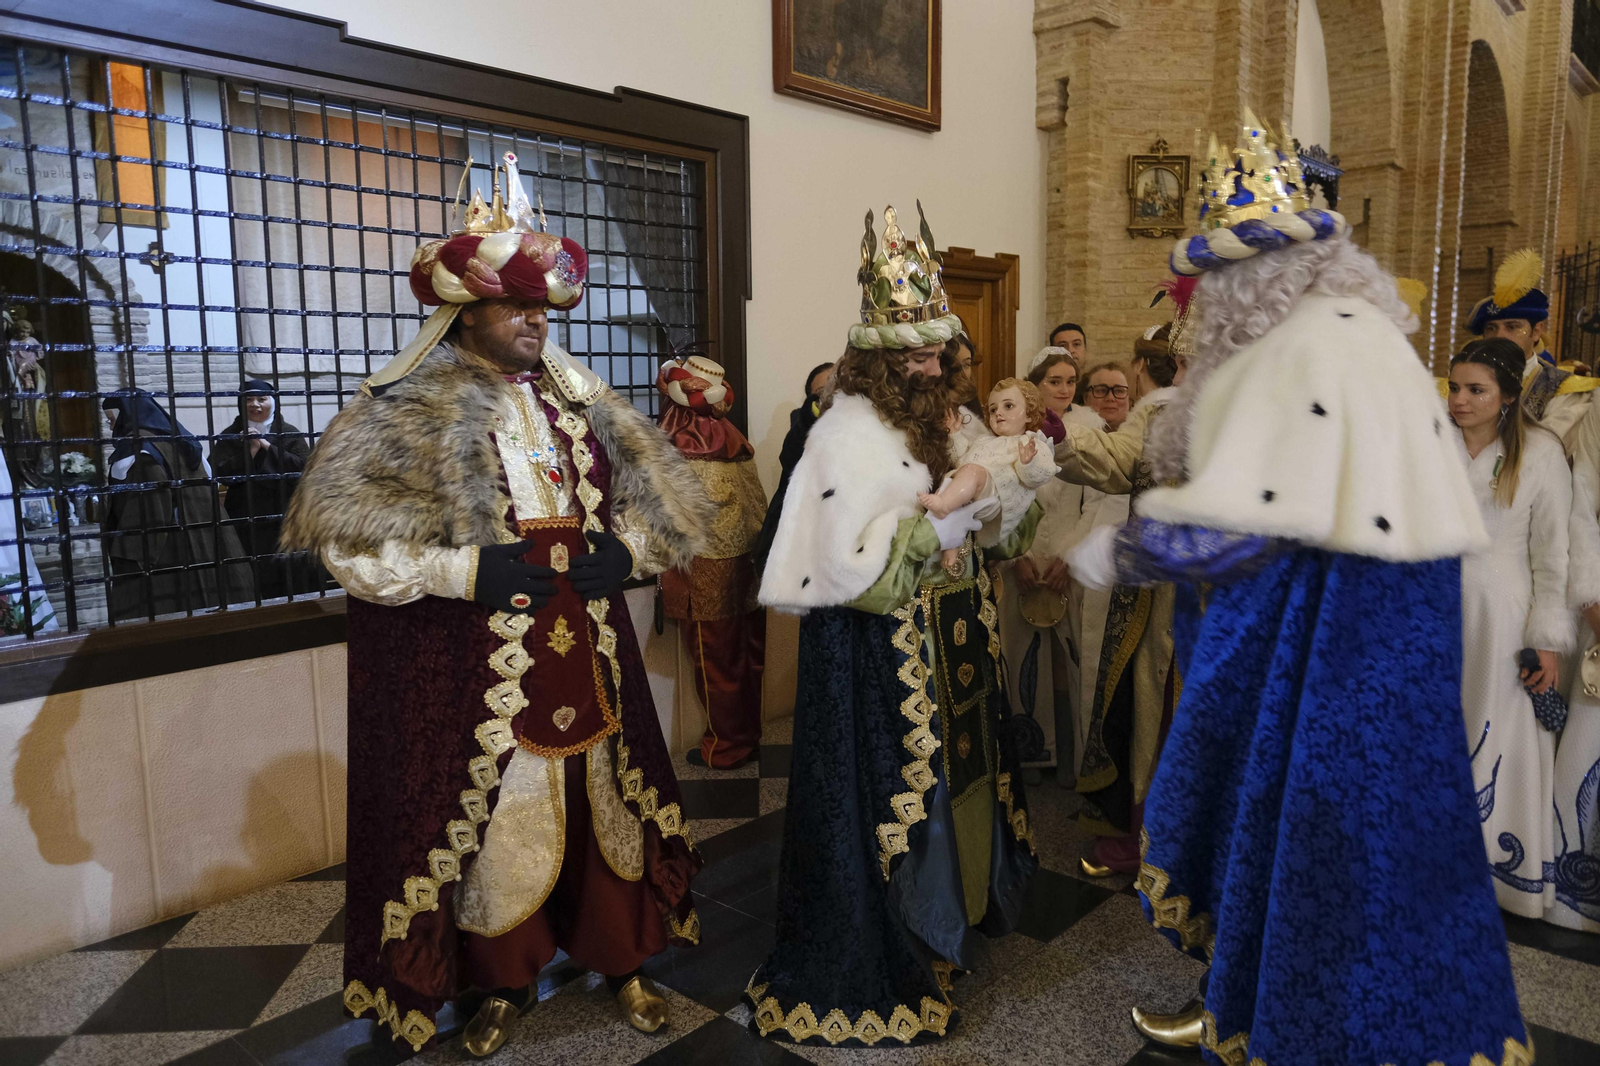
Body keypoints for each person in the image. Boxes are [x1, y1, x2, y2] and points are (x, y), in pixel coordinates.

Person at [1098, 119, 1526, 1064]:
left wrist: (1128, 553)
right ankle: (1237, 1003)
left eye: (1212, 286)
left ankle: (1281, 1028)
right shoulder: (1354, 334)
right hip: (1365, 653)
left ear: (1256, 281)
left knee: (1313, 849)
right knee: (1333, 849)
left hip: (1331, 661)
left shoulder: (1307, 349)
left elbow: (1242, 525)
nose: (1200, 309)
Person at [280, 155, 711, 1058]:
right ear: (461, 312)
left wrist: (624, 554)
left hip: (588, 646)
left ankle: (623, 957)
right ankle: (503, 981)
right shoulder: (403, 411)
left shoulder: (584, 406)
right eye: (517, 307)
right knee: (496, 815)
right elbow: (348, 544)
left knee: (608, 803)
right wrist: (458, 574)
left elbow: (668, 511)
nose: (534, 324)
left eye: (545, 310)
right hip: (477, 661)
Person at [750, 203, 1038, 1047]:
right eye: (907, 350)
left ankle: (948, 927)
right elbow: (852, 560)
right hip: (881, 657)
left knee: (962, 781)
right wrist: (945, 519)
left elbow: (993, 515)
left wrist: (989, 489)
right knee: (898, 800)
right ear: (872, 357)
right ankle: (897, 941)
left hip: (955, 640)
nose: (927, 361)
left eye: (935, 348)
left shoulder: (943, 419)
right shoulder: (843, 432)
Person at [1052, 315, 1186, 877]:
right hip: (1154, 593)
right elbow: (1116, 460)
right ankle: (1135, 834)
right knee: (1141, 706)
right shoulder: (1157, 412)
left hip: (1228, 594)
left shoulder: (1261, 410)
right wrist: (1059, 433)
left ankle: (1201, 843)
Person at [1451, 337, 1575, 920]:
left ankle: (1497, 873)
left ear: (1505, 396)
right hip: (1434, 612)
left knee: (1496, 733)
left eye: (1475, 390)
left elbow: (1554, 556)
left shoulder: (1542, 453)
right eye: (1454, 387)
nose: (1460, 400)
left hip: (1502, 619)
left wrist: (1546, 639)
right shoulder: (1431, 446)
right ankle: (1435, 861)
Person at [654, 352, 769, 771]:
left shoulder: (674, 447)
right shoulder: (734, 439)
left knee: (713, 661)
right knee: (747, 653)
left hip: (703, 566)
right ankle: (747, 735)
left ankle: (726, 746)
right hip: (747, 562)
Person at [101, 391, 254, 620]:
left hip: (169, 548)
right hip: (210, 540)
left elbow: (151, 511)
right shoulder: (181, 440)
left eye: (112, 415)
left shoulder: (142, 452)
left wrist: (131, 559)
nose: (108, 420)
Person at [1466, 248, 1597, 452]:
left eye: (1512, 326)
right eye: (1491, 328)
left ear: (1536, 331)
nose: (1499, 336)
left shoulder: (1565, 390)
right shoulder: (1460, 382)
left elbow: (1546, 448)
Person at [920, 378, 1057, 565]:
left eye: (1008, 406)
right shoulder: (983, 441)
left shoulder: (1032, 443)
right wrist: (955, 434)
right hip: (971, 490)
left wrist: (1027, 463)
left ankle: (944, 505)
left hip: (995, 495)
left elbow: (1041, 475)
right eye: (993, 409)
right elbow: (961, 460)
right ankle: (952, 544)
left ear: (1029, 415)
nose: (998, 412)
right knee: (954, 481)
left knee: (969, 475)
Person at [209, 378, 310, 599]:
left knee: (288, 567)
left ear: (272, 402)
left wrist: (266, 446)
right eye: (249, 399)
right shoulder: (230, 434)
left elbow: (305, 468)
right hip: (245, 513)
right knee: (253, 564)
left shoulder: (289, 432)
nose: (255, 404)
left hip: (283, 511)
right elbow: (216, 470)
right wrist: (250, 453)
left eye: (261, 399)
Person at [750, 361, 833, 570]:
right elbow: (789, 458)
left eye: (837, 385)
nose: (833, 396)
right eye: (823, 392)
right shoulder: (802, 425)